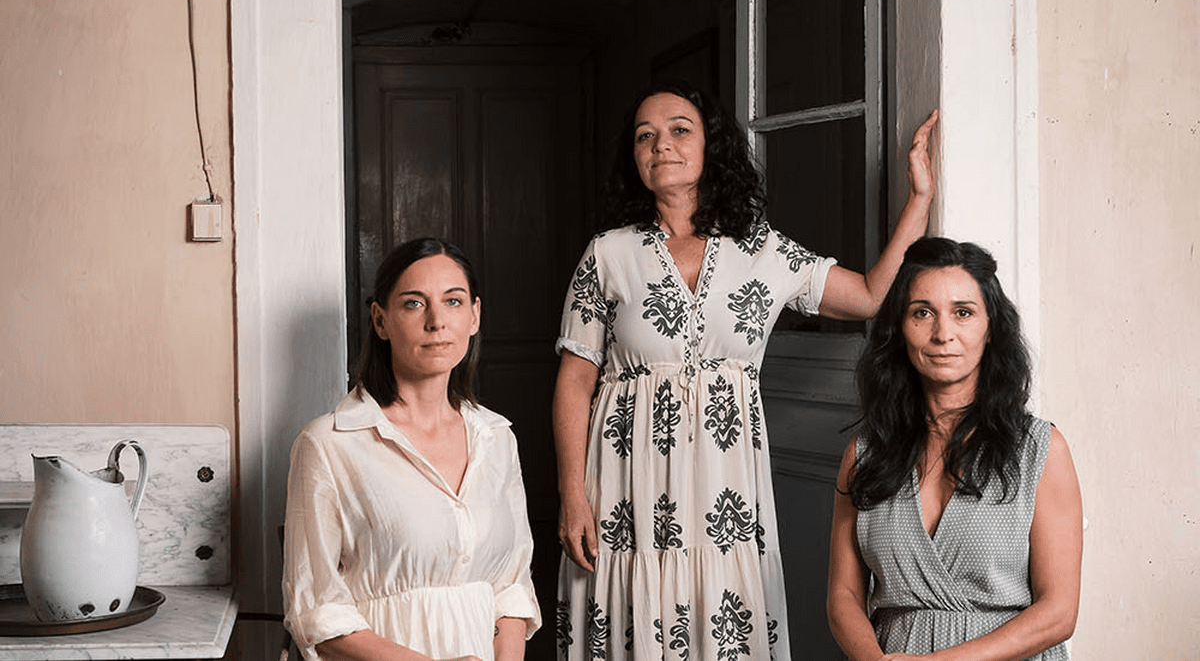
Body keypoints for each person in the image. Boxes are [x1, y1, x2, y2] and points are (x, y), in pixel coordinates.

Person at [553, 79, 938, 660]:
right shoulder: (607, 253)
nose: (662, 145)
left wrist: (919, 201)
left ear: (711, 144)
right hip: (626, 484)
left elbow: (866, 295)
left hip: (724, 486)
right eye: (645, 136)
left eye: (679, 130)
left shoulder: (762, 250)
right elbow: (574, 381)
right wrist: (572, 494)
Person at [282, 238, 541, 661]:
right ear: (380, 320)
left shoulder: (497, 438)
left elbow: (511, 587)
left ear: (475, 315)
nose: (437, 321)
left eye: (453, 301)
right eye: (414, 304)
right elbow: (317, 614)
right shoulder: (328, 445)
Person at [827, 237, 1083, 660]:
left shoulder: (1040, 451)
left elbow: (1058, 613)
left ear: (991, 327)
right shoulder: (866, 454)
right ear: (900, 328)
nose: (943, 334)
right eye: (922, 312)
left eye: (963, 312)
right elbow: (843, 597)